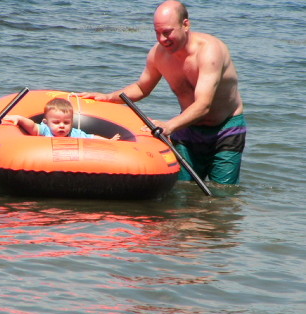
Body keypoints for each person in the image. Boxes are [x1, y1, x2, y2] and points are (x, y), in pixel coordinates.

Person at [79, 0, 246, 184]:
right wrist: (109, 97)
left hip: (224, 129)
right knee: (181, 188)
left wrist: (169, 126)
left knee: (222, 196)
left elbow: (203, 105)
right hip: (186, 127)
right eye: (157, 33)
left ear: (185, 24)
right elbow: (142, 87)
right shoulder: (158, 54)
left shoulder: (210, 52)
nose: (161, 39)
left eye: (167, 32)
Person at [4, 98, 120, 140]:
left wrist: (108, 141)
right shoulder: (45, 130)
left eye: (66, 122)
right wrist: (19, 119)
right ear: (46, 122)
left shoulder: (75, 133)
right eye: (56, 122)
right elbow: (32, 126)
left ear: (71, 122)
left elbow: (93, 137)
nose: (61, 125)